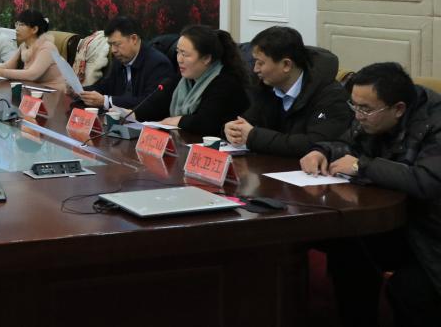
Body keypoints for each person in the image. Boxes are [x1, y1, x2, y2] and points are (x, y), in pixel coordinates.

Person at [300, 62, 441, 327]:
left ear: (398, 109)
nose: (358, 116)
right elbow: (346, 143)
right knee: (347, 245)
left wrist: (362, 166)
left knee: (409, 290)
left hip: (430, 233)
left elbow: (426, 180)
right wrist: (322, 151)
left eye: (365, 109)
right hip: (399, 222)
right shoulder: (371, 118)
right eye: (354, 106)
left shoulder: (435, 124)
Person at [224, 26, 349, 157]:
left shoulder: (331, 96)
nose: (255, 69)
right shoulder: (265, 86)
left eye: (260, 63)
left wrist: (254, 136)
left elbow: (315, 144)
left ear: (286, 65)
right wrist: (233, 130)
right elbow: (249, 121)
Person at [132, 25, 250, 135]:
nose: (179, 59)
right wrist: (132, 114)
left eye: (185, 54)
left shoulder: (226, 82)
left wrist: (177, 120)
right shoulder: (185, 78)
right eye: (178, 52)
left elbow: (207, 122)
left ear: (206, 58)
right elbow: (158, 104)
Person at [77, 16, 174, 111]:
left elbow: (149, 103)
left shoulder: (158, 64)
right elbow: (104, 87)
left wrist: (106, 101)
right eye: (110, 44)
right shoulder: (120, 59)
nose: (113, 50)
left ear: (134, 39)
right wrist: (79, 91)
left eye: (117, 44)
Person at [0, 9, 65, 89]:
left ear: (34, 29)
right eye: (17, 24)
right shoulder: (24, 46)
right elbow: (8, 66)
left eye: (22, 25)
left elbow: (32, 74)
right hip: (34, 89)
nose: (17, 28)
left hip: (54, 91)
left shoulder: (47, 47)